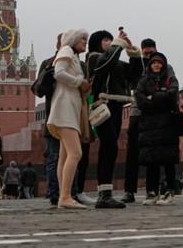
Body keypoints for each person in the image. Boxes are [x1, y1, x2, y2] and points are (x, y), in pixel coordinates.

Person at [86, 29, 143, 209]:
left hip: (117, 106)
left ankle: (105, 193)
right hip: (102, 106)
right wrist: (118, 45)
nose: (110, 42)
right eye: (106, 40)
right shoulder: (94, 58)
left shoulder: (115, 61)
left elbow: (134, 76)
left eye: (111, 40)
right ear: (96, 43)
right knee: (109, 146)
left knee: (109, 148)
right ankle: (104, 194)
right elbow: (105, 64)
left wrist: (133, 54)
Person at [47, 28, 90, 209]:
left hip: (69, 109)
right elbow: (59, 73)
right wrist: (79, 81)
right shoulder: (66, 51)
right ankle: (65, 196)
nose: (85, 44)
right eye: (82, 40)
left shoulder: (73, 55)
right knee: (76, 153)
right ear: (73, 40)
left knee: (65, 156)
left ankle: (63, 197)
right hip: (64, 109)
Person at [123, 38, 168, 203]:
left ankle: (153, 189)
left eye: (151, 52)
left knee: (153, 154)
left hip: (155, 115)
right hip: (137, 113)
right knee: (132, 153)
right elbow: (132, 85)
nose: (149, 56)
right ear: (142, 51)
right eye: (146, 53)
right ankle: (129, 190)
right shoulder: (137, 65)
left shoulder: (164, 66)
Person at [135, 52, 180, 206]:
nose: (156, 65)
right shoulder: (144, 80)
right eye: (153, 63)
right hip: (149, 127)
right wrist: (161, 96)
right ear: (150, 65)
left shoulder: (170, 79)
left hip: (167, 125)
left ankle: (169, 191)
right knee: (151, 160)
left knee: (168, 160)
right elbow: (139, 99)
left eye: (159, 63)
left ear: (163, 65)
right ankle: (151, 192)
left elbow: (173, 95)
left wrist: (153, 97)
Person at [33, 34, 64, 206]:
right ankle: (54, 193)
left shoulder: (79, 64)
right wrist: (49, 74)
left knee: (73, 156)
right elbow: (37, 90)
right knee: (54, 157)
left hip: (73, 118)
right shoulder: (48, 63)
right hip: (53, 117)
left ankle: (72, 192)